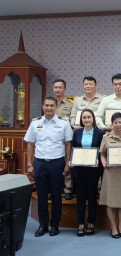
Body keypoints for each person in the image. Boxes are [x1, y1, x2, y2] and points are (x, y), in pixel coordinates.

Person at [25, 96, 73, 237]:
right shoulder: (35, 123)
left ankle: (55, 225)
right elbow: (30, 144)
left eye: (52, 105)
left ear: (56, 107)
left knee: (57, 195)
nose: (49, 108)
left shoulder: (64, 123)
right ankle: (43, 225)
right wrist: (29, 164)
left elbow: (68, 144)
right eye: (47, 105)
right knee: (41, 196)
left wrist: (67, 163)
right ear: (43, 106)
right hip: (39, 163)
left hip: (57, 163)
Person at [70, 109, 104, 236]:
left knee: (92, 197)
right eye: (84, 117)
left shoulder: (99, 133)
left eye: (89, 117)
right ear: (81, 120)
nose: (87, 119)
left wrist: (98, 162)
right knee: (80, 198)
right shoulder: (77, 133)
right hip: (79, 169)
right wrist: (71, 161)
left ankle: (91, 223)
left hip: (93, 170)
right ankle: (80, 223)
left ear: (93, 119)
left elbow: (102, 152)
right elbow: (73, 148)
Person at [53, 79, 75, 200]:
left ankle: (68, 189)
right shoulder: (49, 103)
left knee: (67, 163)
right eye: (55, 87)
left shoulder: (70, 105)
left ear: (65, 89)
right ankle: (55, 189)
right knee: (54, 165)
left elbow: (72, 122)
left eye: (60, 87)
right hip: (52, 139)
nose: (57, 89)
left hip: (65, 138)